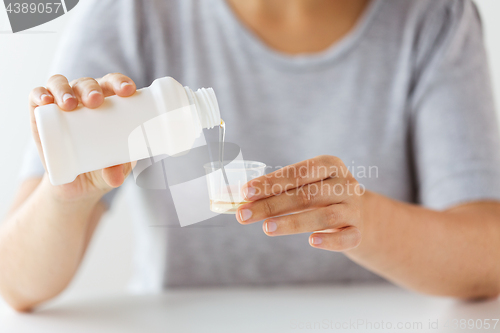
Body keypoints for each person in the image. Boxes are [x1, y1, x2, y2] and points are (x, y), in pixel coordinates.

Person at [1, 0, 500, 312]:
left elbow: (487, 256)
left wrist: (363, 219)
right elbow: (16, 283)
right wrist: (64, 196)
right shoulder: (133, 12)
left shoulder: (435, 17)